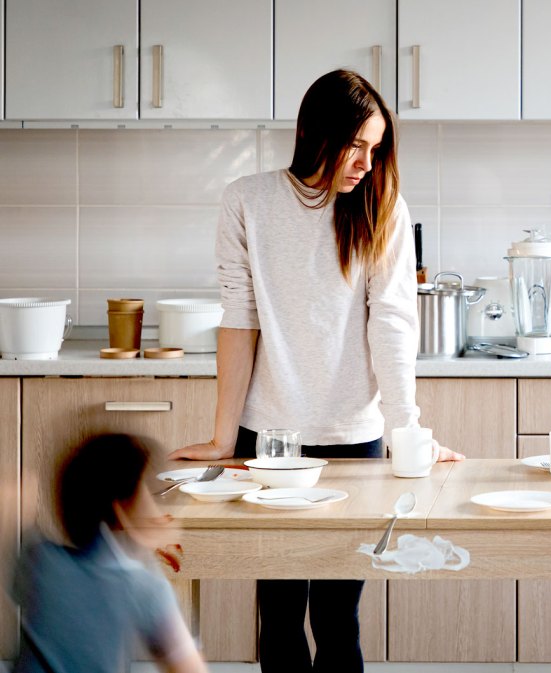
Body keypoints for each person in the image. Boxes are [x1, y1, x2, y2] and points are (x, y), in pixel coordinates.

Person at [169, 69, 463, 673]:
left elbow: (392, 324)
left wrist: (409, 433)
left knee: (337, 617)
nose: (365, 162)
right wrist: (225, 438)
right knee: (277, 616)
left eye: (375, 148)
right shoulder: (247, 200)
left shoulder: (383, 207)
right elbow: (239, 319)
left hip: (355, 441)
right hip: (268, 441)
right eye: (356, 144)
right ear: (315, 134)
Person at [11, 433, 207, 673]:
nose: (161, 509)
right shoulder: (144, 587)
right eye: (152, 493)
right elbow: (190, 668)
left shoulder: (39, 560)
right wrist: (148, 560)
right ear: (122, 510)